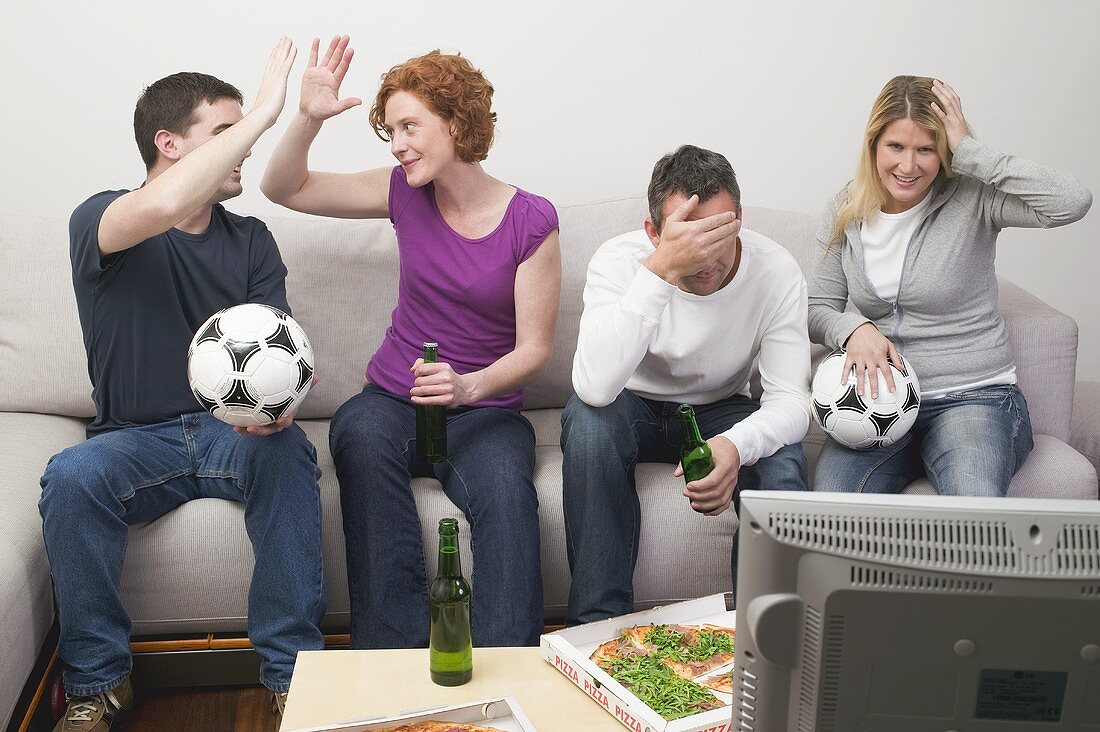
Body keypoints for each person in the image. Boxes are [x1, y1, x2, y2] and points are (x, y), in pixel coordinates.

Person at [39, 39, 324, 732]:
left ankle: (297, 679)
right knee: (71, 475)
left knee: (288, 456)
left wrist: (276, 411)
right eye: (224, 136)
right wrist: (265, 113)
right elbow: (163, 207)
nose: (244, 151)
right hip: (135, 441)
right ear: (168, 143)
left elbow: (282, 350)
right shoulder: (103, 220)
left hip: (234, 435)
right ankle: (98, 684)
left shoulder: (252, 238)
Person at [261, 37, 560, 648]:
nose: (397, 144)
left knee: (506, 494)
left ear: (456, 122)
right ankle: (392, 661)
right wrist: (307, 119)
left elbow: (534, 350)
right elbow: (283, 188)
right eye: (389, 131)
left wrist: (468, 384)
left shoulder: (531, 220)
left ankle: (510, 674)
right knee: (356, 431)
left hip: (483, 410)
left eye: (410, 126)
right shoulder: (401, 191)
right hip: (394, 399)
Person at [808, 76, 1093, 496]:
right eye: (896, 147)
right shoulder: (846, 208)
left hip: (975, 398)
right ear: (873, 145)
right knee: (828, 514)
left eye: (926, 149)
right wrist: (855, 328)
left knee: (971, 512)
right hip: (880, 407)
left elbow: (1072, 201)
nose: (909, 166)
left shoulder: (974, 197)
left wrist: (970, 152)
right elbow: (817, 308)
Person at [561, 145, 810, 625]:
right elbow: (594, 388)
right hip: (628, 401)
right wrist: (660, 271)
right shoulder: (619, 261)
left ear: (740, 219)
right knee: (587, 421)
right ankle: (595, 629)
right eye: (687, 237)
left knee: (782, 458)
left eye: (718, 234)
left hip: (720, 406)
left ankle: (768, 640)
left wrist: (736, 446)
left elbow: (791, 402)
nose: (706, 256)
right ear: (653, 231)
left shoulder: (775, 270)